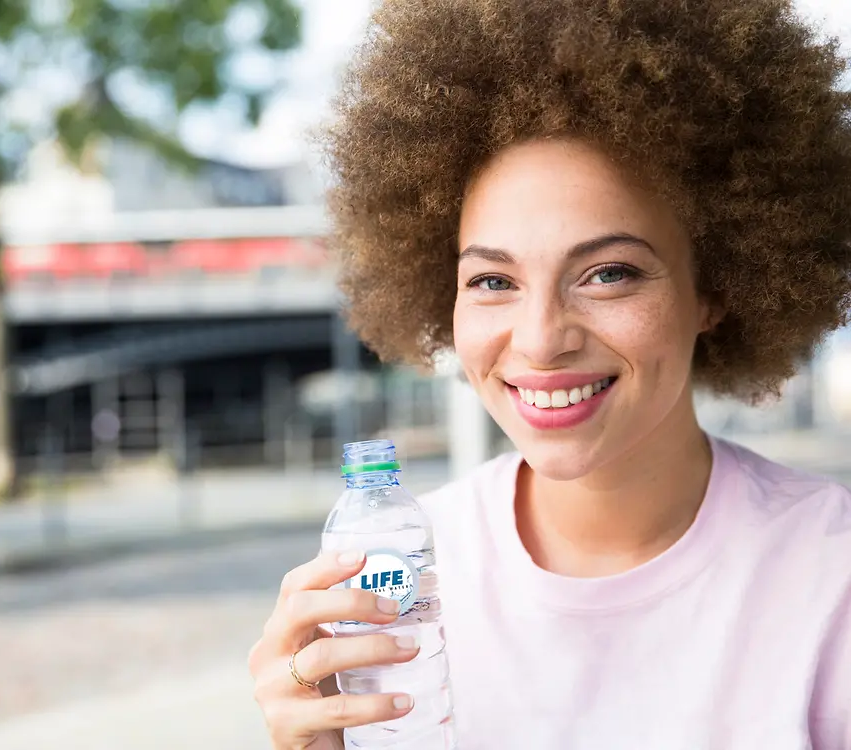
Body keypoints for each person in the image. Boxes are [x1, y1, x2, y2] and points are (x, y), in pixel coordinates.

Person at [247, 0, 851, 747]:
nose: (540, 341)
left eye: (608, 273)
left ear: (716, 289)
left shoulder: (832, 581)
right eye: (493, 282)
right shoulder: (404, 568)